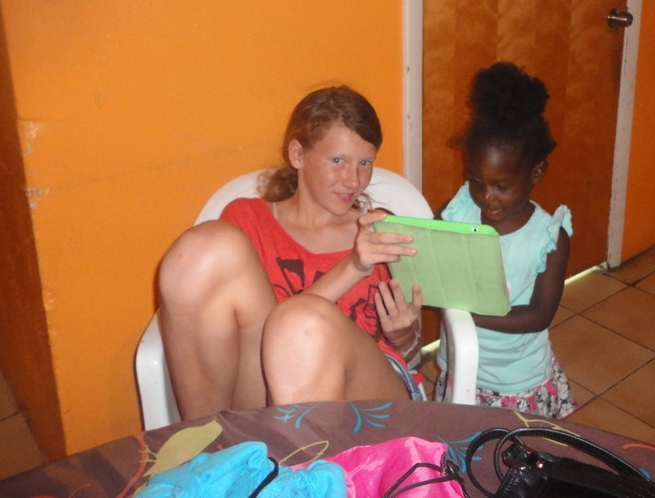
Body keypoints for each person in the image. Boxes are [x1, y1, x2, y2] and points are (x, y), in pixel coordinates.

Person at [157, 86, 424, 419]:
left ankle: (305, 453)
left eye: (365, 163)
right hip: (264, 397)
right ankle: (210, 441)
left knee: (303, 327)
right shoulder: (248, 223)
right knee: (201, 251)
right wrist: (353, 266)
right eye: (338, 160)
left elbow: (413, 354)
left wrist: (405, 336)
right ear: (298, 155)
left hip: (371, 399)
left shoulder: (379, 231)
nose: (353, 180)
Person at [434, 62, 575, 419]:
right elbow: (433, 253)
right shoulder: (460, 210)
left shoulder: (548, 238)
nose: (486, 197)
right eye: (476, 181)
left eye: (502, 186)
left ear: (536, 172)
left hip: (516, 381)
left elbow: (539, 315)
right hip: (460, 364)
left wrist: (469, 313)